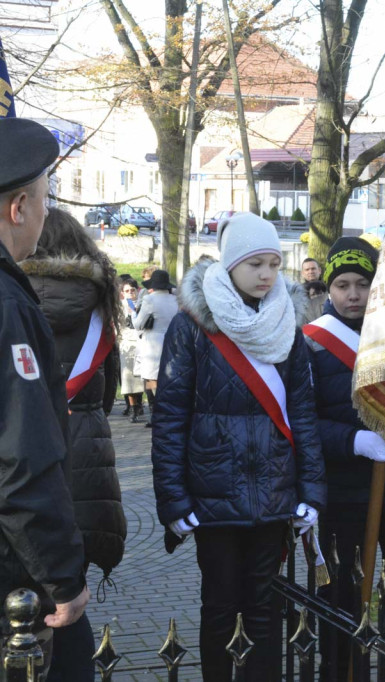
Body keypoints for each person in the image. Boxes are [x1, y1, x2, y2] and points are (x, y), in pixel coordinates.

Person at [152, 212, 326, 681]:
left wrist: (311, 491)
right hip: (213, 496)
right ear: (230, 265)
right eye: (255, 264)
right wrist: (173, 498)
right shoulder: (192, 327)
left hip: (273, 493)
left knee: (265, 610)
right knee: (220, 609)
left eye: (273, 263)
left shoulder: (286, 323)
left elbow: (303, 416)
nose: (267, 274)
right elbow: (169, 418)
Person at [302, 237, 385, 680]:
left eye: (363, 283)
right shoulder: (311, 344)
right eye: (342, 284)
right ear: (329, 287)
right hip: (345, 493)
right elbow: (302, 423)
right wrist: (353, 441)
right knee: (343, 594)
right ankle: (343, 671)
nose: (353, 294)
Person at [21, 208, 128, 681]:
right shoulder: (97, 308)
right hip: (85, 465)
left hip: (26, 471)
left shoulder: (13, 299)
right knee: (70, 609)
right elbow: (108, 396)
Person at [0, 116, 89, 674]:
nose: (45, 212)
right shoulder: (8, 307)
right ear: (18, 208)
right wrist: (63, 578)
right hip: (17, 580)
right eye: (43, 198)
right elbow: (22, 460)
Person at [133, 269, 178, 427]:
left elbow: (138, 324)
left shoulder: (149, 299)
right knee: (171, 378)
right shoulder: (176, 299)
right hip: (174, 341)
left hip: (153, 343)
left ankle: (156, 413)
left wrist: (134, 315)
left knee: (152, 380)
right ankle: (171, 412)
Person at [118, 277, 146, 422]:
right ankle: (133, 408)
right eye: (127, 291)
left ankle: (140, 403)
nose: (130, 294)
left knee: (141, 377)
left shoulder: (142, 304)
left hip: (141, 342)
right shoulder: (119, 306)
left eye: (132, 290)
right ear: (123, 293)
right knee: (128, 377)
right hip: (126, 344)